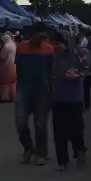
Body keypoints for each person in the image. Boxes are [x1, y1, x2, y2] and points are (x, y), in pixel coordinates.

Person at [14, 23, 54, 166]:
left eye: (44, 37)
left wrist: (51, 91)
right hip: (24, 90)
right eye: (40, 37)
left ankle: (41, 153)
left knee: (41, 124)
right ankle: (28, 148)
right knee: (20, 122)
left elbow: (51, 71)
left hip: (42, 91)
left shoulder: (48, 50)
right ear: (32, 35)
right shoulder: (21, 48)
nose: (42, 40)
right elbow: (17, 67)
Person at [51, 31, 86, 171]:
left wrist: (77, 76)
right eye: (54, 43)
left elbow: (84, 70)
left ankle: (79, 148)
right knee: (59, 131)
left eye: (58, 43)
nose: (55, 46)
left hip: (74, 98)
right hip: (58, 97)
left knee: (76, 129)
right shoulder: (52, 57)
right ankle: (62, 161)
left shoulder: (78, 55)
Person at [0, 32, 17, 102]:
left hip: (6, 66)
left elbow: (2, 58)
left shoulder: (6, 47)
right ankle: (12, 96)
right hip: (13, 66)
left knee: (4, 83)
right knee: (12, 82)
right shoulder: (13, 45)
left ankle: (5, 97)